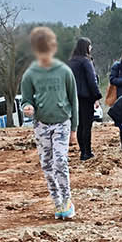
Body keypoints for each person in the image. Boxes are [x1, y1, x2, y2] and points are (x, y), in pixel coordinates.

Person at [19, 26, 79, 220]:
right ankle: (57, 201)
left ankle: (67, 200)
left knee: (60, 161)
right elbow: (26, 100)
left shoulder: (64, 72)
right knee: (47, 164)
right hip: (41, 125)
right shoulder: (30, 75)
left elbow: (73, 100)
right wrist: (27, 108)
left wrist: (74, 130)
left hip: (62, 122)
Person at [67, 37, 101, 161]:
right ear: (86, 47)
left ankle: (83, 151)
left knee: (79, 125)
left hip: (73, 98)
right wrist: (96, 97)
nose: (91, 48)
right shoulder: (86, 62)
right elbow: (92, 80)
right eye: (90, 46)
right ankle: (87, 152)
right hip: (86, 98)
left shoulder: (70, 62)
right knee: (87, 126)